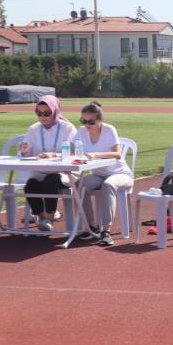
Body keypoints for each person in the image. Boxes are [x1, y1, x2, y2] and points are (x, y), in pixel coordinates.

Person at [74, 102, 133, 247]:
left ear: (100, 120)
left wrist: (95, 154)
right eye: (84, 121)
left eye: (91, 121)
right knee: (78, 185)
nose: (87, 125)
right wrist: (53, 154)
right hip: (99, 174)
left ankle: (106, 230)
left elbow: (117, 154)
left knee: (109, 184)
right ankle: (91, 225)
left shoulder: (109, 129)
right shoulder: (81, 131)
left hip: (120, 174)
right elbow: (70, 148)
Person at [19, 96, 78, 232]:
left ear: (56, 111)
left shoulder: (68, 128)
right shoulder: (33, 129)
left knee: (51, 180)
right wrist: (24, 151)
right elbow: (26, 154)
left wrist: (55, 155)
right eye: (39, 113)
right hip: (40, 171)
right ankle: (43, 218)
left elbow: (73, 152)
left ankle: (51, 219)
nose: (43, 116)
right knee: (30, 185)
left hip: (65, 172)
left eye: (47, 113)